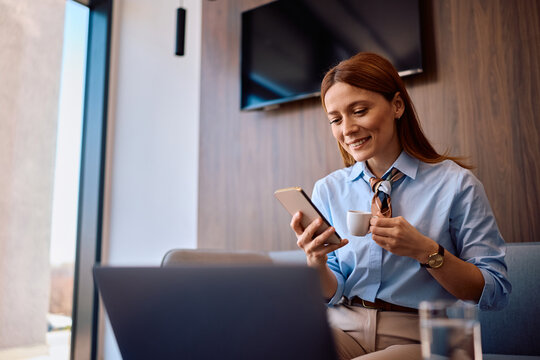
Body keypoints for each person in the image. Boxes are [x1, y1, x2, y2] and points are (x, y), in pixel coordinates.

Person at [290, 52, 511, 360]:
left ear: (397, 105)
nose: (348, 129)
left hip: (426, 335)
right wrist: (316, 262)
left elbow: (494, 290)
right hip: (343, 328)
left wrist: (425, 251)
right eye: (336, 119)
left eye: (359, 110)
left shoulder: (457, 185)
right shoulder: (329, 189)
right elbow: (335, 289)